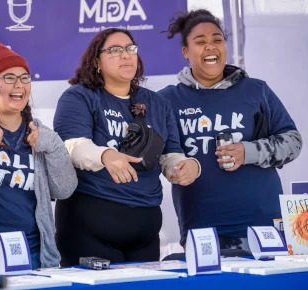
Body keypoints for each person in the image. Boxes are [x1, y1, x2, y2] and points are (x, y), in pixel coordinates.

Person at [52, 28, 201, 266]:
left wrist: (185, 166)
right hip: (90, 227)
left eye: (131, 49)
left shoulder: (158, 103)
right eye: (115, 50)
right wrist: (106, 155)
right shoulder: (79, 97)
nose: (126, 55)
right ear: (96, 61)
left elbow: (170, 154)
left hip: (145, 230)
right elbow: (71, 147)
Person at [158, 9, 303, 250]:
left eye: (217, 40)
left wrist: (249, 152)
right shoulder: (167, 100)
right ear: (186, 52)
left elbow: (293, 141)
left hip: (263, 226)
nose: (211, 47)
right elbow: (160, 155)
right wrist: (174, 168)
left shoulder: (256, 90)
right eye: (200, 42)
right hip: (203, 230)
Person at [0, 42, 77, 273]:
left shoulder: (42, 135)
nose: (19, 85)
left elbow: (64, 190)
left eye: (25, 78)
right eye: (9, 78)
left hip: (34, 254)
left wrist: (51, 146)